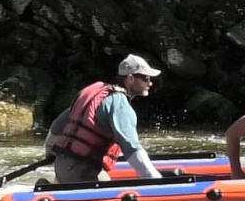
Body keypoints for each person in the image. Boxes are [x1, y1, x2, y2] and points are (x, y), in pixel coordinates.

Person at [45, 54, 162, 183]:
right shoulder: (119, 105)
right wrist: (154, 180)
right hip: (82, 171)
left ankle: (54, 185)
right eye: (145, 78)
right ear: (130, 78)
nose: (150, 83)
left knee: (104, 177)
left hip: (62, 165)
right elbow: (132, 147)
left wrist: (52, 157)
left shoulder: (94, 93)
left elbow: (57, 126)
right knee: (112, 192)